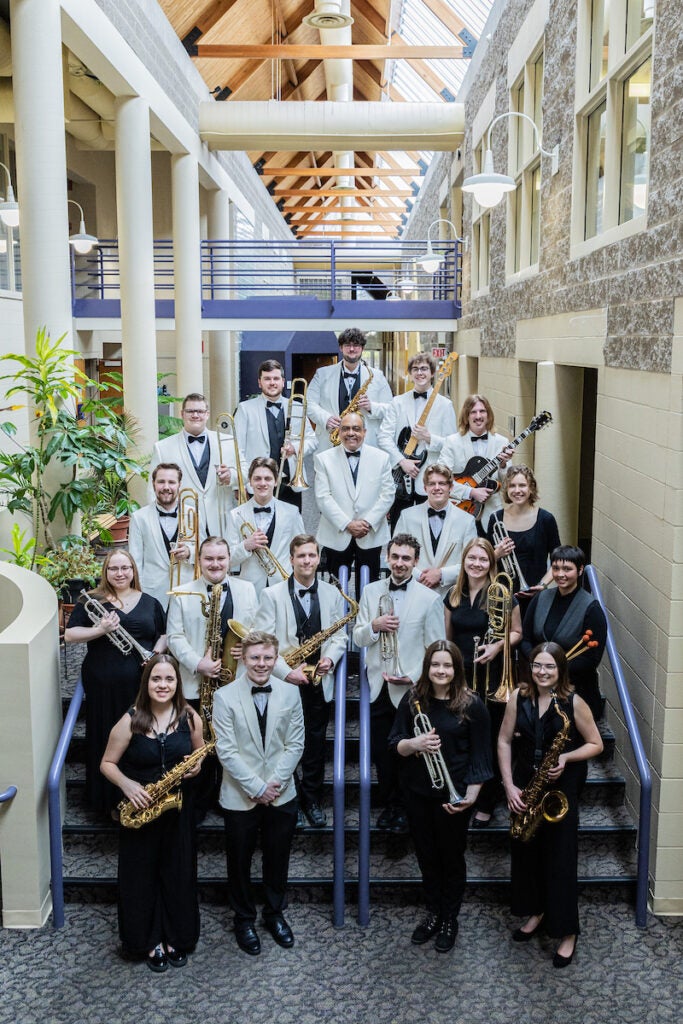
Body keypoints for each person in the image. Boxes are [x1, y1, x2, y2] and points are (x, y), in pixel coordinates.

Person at [498, 642, 603, 968]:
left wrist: (567, 756)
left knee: (560, 859)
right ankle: (536, 911)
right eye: (538, 666)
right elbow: (503, 740)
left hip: (560, 789)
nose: (542, 672)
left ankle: (567, 931)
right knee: (526, 853)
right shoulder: (518, 697)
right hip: (527, 784)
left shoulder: (574, 702)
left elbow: (596, 744)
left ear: (560, 670)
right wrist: (509, 785)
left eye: (550, 667)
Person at [100, 654, 205, 971]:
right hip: (140, 807)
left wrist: (198, 764)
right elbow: (106, 764)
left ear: (177, 683)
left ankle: (177, 937)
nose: (163, 685)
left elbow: (199, 751)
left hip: (177, 809)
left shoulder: (190, 717)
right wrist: (129, 785)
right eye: (156, 679)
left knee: (178, 874)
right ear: (146, 683)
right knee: (140, 877)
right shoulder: (130, 719)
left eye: (169, 679)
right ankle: (146, 941)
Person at [388, 640, 493, 952]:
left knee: (452, 858)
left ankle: (450, 917)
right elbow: (393, 743)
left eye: (447, 665)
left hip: (454, 796)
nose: (441, 670)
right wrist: (414, 744)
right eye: (436, 665)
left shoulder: (472, 704)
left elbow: (481, 754)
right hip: (418, 793)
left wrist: (471, 796)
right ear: (427, 667)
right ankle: (432, 912)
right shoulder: (413, 700)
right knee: (426, 855)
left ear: (457, 668)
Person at [212, 630, 305, 956]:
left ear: (275, 658)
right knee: (238, 860)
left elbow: (295, 744)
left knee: (278, 857)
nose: (262, 664)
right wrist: (255, 787)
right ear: (243, 658)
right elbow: (226, 750)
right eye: (255, 658)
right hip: (240, 794)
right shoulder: (224, 696)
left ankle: (274, 914)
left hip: (281, 793)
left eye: (268, 658)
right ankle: (243, 918)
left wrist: (272, 785)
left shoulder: (290, 693)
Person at [252, 534, 348, 828]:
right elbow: (266, 644)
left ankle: (312, 800)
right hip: (284, 681)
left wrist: (330, 658)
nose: (307, 560)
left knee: (315, 745)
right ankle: (286, 801)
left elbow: (339, 635)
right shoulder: (271, 595)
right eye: (301, 556)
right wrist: (286, 672)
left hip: (319, 680)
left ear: (318, 559)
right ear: (291, 559)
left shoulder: (333, 593)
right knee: (282, 745)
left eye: (311, 555)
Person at [352, 534, 445, 834]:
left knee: (411, 753)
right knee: (382, 751)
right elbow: (357, 637)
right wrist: (374, 627)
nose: (400, 563)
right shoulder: (370, 591)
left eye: (406, 558)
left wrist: (415, 677)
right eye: (395, 557)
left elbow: (435, 649)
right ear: (387, 557)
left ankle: (406, 808)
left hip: (412, 689)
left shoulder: (430, 599)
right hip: (379, 685)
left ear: (416, 562)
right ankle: (390, 803)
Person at [65, 549, 167, 816]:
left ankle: (141, 796)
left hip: (141, 683)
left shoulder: (150, 602)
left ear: (133, 570)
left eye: (125, 568)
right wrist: (101, 629)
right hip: (103, 683)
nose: (120, 574)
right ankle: (104, 800)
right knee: (104, 734)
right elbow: (71, 635)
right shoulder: (92, 600)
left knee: (139, 736)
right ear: (106, 572)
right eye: (113, 569)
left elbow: (163, 635)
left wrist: (156, 653)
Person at [443, 538, 522, 827]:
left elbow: (517, 633)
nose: (477, 564)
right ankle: (462, 791)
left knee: (488, 740)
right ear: (464, 561)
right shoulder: (453, 595)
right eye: (472, 559)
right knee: (462, 736)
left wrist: (497, 647)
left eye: (483, 559)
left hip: (491, 678)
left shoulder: (502, 594)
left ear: (492, 563)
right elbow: (447, 640)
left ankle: (487, 800)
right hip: (460, 677)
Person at [166, 536, 259, 706]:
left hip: (238, 680)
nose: (215, 564)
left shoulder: (248, 588)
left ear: (229, 559)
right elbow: (174, 637)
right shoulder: (180, 594)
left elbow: (257, 628)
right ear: (199, 560)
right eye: (209, 558)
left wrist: (249, 643)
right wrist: (198, 663)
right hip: (195, 684)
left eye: (221, 558)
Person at [520, 545, 607, 721]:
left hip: (576, 692)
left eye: (567, 569)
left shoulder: (592, 608)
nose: (560, 574)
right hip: (540, 686)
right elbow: (525, 638)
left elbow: (591, 659)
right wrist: (539, 664)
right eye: (556, 568)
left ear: (580, 570)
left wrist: (554, 669)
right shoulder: (540, 598)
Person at [377, 353, 457, 529]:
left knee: (427, 529)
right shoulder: (397, 402)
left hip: (428, 478)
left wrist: (429, 438)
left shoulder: (445, 405)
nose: (420, 373)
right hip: (400, 476)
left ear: (432, 373)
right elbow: (384, 436)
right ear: (410, 373)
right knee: (398, 527)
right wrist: (401, 461)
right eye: (415, 369)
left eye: (424, 369)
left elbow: (453, 444)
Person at [313, 411, 394, 583]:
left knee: (369, 586)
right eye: (346, 429)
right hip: (336, 533)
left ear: (365, 432)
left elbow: (387, 494)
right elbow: (323, 497)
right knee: (336, 589)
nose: (351, 433)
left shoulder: (382, 458)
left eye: (356, 429)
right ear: (339, 432)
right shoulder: (323, 459)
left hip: (370, 533)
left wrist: (368, 522)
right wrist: (347, 524)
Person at [149, 392, 239, 538]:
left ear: (207, 414)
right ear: (182, 414)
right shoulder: (162, 447)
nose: (195, 415)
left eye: (200, 411)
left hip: (222, 520)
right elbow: (152, 489)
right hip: (185, 522)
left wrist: (231, 476)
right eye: (190, 411)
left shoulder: (228, 442)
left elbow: (246, 474)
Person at [233, 359, 317, 511]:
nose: (272, 382)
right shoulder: (245, 409)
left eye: (276, 378)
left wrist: (295, 448)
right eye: (267, 379)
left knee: (291, 531)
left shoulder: (297, 407)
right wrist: (239, 483)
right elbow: (237, 449)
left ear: (283, 382)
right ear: (260, 382)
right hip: (258, 484)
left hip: (290, 482)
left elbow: (312, 440)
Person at [395, 464, 477, 597]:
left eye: (442, 483)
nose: (437, 488)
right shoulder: (407, 516)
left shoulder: (467, 521)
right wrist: (419, 576)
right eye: (432, 483)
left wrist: (441, 575)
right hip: (413, 592)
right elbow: (394, 556)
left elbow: (472, 561)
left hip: (451, 596)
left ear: (450, 487)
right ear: (425, 488)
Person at [306, 327, 392, 452]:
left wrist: (372, 407)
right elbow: (308, 404)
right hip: (330, 443)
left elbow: (391, 409)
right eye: (347, 345)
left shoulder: (377, 376)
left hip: (366, 445)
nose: (352, 349)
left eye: (356, 345)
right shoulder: (322, 374)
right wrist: (326, 418)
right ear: (341, 348)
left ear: (362, 348)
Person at [226, 457, 304, 594]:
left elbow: (302, 551)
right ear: (250, 482)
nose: (262, 483)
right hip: (249, 588)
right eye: (257, 479)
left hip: (283, 585)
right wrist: (245, 545)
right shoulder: (235, 515)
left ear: (276, 481)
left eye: (268, 479)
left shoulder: (292, 512)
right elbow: (228, 559)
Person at [487, 464, 561, 602]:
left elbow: (558, 560)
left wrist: (542, 586)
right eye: (512, 486)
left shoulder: (546, 519)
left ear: (531, 488)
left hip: (536, 596)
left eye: (522, 485)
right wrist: (497, 554)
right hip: (502, 596)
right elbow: (484, 561)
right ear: (506, 489)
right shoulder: (495, 519)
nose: (517, 490)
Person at [440, 394, 513, 531]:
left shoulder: (502, 443)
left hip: (492, 513)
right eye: (473, 412)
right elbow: (442, 480)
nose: (478, 416)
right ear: (466, 416)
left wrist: (503, 465)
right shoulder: (451, 442)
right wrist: (471, 492)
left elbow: (507, 485)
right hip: (460, 509)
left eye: (482, 411)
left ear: (488, 415)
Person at [128, 462, 195, 609]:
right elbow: (135, 560)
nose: (166, 487)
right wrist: (136, 596)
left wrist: (190, 552)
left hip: (187, 590)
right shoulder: (139, 517)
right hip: (152, 593)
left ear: (180, 484)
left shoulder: (194, 514)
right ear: (153, 484)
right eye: (161, 482)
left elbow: (205, 551)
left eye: (171, 482)